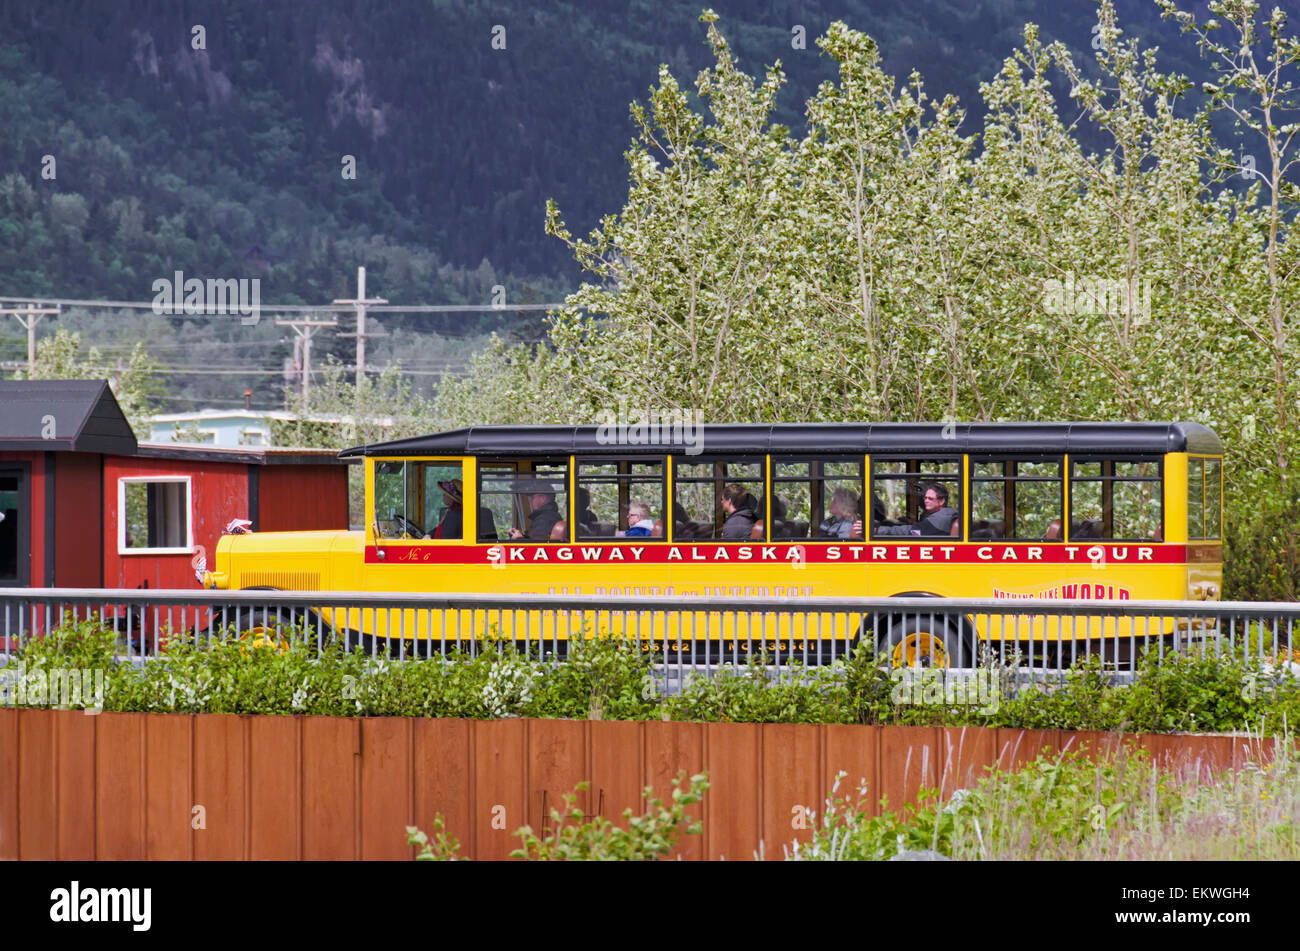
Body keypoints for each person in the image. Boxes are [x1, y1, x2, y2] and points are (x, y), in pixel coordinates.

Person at [876, 482, 957, 536]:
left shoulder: (940, 519)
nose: (926, 501)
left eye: (930, 498)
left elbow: (913, 531)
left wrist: (878, 530)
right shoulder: (944, 514)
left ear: (941, 501)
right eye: (925, 498)